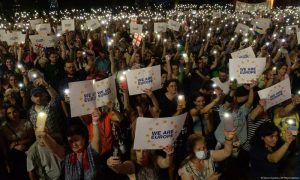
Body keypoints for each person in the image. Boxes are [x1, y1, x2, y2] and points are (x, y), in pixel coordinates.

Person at [106, 145, 174, 180]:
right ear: (134, 151)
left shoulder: (154, 159)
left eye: (144, 151)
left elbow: (166, 163)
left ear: (149, 151)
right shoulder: (132, 165)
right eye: (138, 150)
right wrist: (113, 165)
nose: (141, 154)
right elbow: (121, 168)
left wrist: (169, 154)